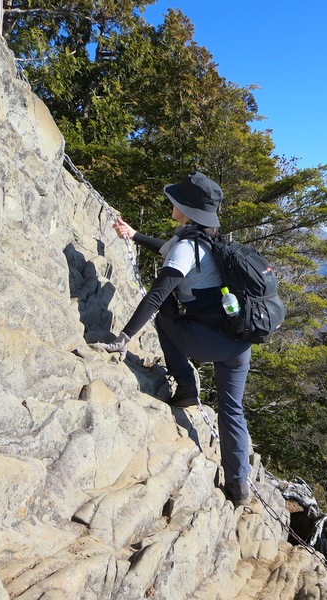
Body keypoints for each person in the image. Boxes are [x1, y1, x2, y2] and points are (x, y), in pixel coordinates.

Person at [94, 172, 252, 506]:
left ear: (187, 209)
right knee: (232, 411)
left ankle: (186, 389)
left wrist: (123, 338)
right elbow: (164, 249)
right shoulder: (205, 239)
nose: (172, 203)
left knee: (166, 317)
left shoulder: (186, 246)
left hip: (209, 341)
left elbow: (156, 296)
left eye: (177, 201)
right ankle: (239, 488)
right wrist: (134, 235)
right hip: (239, 343)